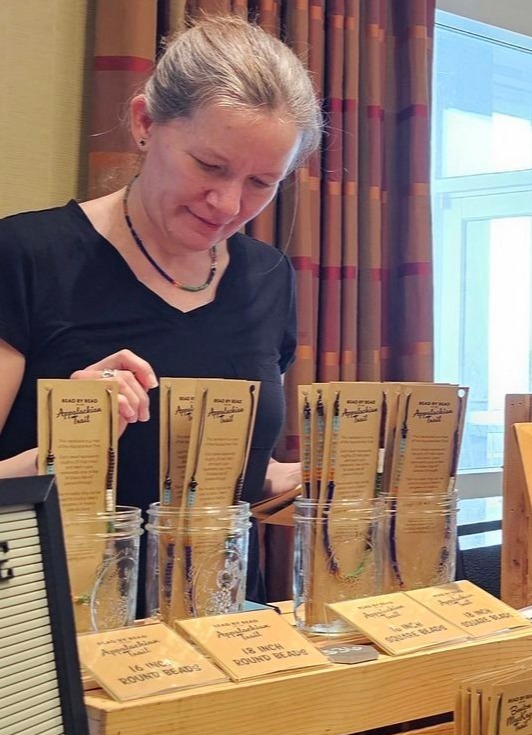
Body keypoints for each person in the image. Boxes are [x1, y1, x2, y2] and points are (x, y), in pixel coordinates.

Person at [0, 17, 323, 600]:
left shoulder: (268, 277)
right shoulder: (26, 257)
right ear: (145, 122)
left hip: (212, 628)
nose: (228, 204)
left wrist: (326, 472)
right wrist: (68, 437)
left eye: (261, 182)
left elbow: (242, 478)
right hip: (49, 637)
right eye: (210, 165)